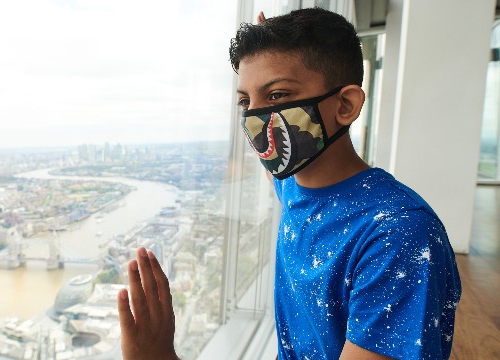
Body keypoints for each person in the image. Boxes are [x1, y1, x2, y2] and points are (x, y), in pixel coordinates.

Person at [117, 7, 461, 360]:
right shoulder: (295, 185)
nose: (254, 116)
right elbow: (274, 146)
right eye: (245, 101)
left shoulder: (397, 235)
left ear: (345, 105)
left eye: (277, 95)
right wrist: (267, 48)